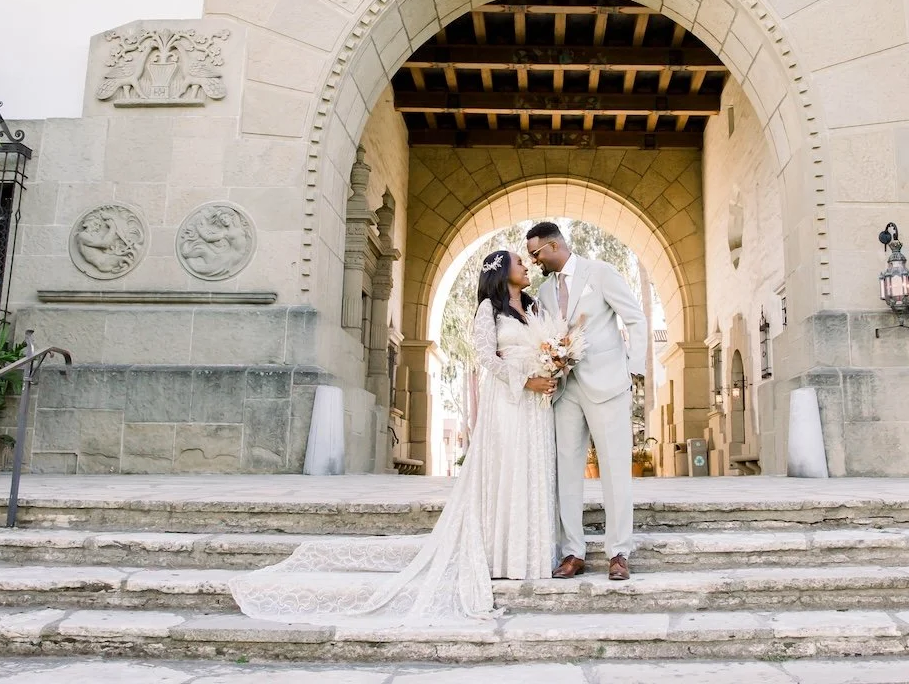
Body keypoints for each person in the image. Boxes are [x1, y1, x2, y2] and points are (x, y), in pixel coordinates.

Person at [228, 249, 557, 623]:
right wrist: (525, 380)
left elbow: (545, 344)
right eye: (519, 261)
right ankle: (502, 553)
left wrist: (552, 365)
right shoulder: (489, 309)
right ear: (501, 272)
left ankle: (529, 551)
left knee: (531, 470)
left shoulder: (533, 308)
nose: (526, 265)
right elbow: (486, 356)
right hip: (510, 398)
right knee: (507, 469)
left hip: (536, 404)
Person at [526, 221, 647, 582]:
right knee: (566, 471)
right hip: (566, 390)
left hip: (608, 383)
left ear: (552, 247)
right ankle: (572, 552)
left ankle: (619, 552)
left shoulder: (601, 272)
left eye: (535, 254)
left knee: (614, 469)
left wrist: (633, 368)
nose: (533, 261)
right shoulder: (544, 291)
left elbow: (635, 319)